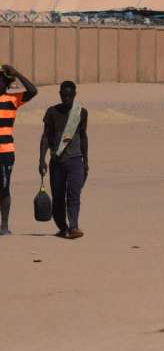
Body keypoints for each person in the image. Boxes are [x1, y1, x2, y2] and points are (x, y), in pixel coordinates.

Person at [39, 81, 89, 240]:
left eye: (70, 95)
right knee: (58, 197)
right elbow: (46, 137)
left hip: (75, 160)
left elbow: (83, 136)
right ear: (60, 94)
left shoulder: (81, 113)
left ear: (75, 95)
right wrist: (41, 159)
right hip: (57, 161)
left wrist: (85, 160)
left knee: (74, 193)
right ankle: (62, 227)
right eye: (64, 95)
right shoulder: (52, 112)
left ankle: (73, 227)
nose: (67, 98)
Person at [0, 65, 38, 235]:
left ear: (6, 83)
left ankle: (4, 225)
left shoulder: (13, 99)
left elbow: (33, 90)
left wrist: (17, 73)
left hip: (6, 153)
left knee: (4, 188)